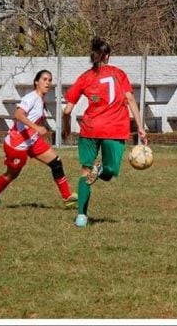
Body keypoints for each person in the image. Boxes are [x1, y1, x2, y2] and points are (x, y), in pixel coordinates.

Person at [61, 37, 148, 228]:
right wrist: (140, 127)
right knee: (109, 172)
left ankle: (82, 217)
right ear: (107, 56)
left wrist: (66, 127)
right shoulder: (118, 74)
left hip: (90, 128)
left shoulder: (85, 77)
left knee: (85, 172)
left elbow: (67, 110)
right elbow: (130, 100)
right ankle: (100, 170)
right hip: (114, 128)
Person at [0, 70, 78, 208]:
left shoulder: (40, 99)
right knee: (12, 175)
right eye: (44, 79)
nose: (47, 83)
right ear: (36, 82)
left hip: (32, 140)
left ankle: (67, 197)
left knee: (56, 162)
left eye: (50, 80)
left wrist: (40, 128)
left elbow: (31, 118)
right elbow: (18, 114)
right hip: (17, 144)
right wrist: (37, 127)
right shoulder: (31, 97)